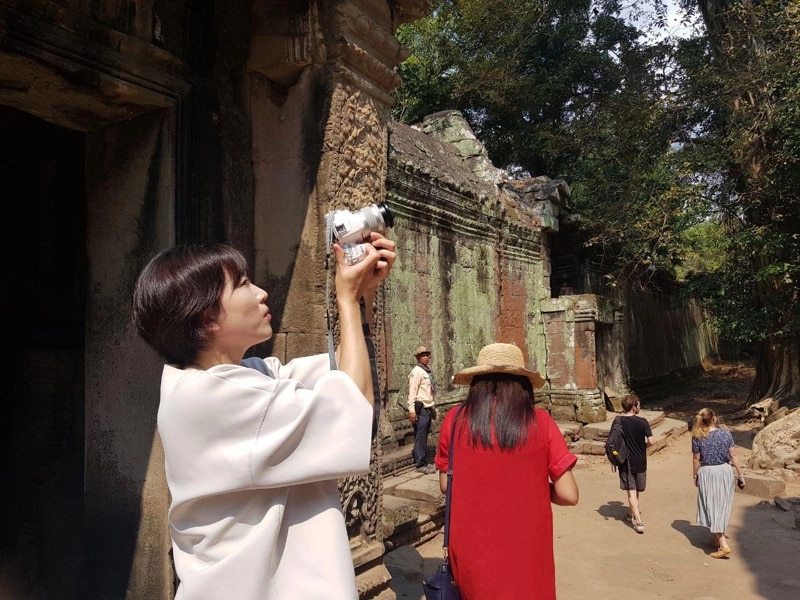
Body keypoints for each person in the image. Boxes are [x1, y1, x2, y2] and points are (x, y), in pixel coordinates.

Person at [131, 232, 395, 600]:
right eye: (243, 284)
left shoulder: (242, 378)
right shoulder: (214, 399)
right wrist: (347, 300)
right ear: (207, 317)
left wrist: (364, 294)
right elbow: (354, 407)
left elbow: (350, 372)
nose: (261, 293)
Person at [434, 343, 579, 600]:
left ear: (476, 384)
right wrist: (531, 487)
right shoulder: (541, 422)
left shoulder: (454, 421)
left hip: (472, 546)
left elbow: (447, 486)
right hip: (526, 550)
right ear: (523, 386)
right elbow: (569, 495)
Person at [691, 407, 745, 558]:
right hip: (725, 471)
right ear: (714, 418)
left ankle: (723, 544)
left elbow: (696, 458)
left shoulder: (697, 436)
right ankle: (716, 538)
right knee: (721, 505)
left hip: (708, 472)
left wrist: (695, 474)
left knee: (711, 505)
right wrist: (741, 474)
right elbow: (733, 456)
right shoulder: (725, 434)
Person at [617, 393, 654, 533]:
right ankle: (638, 521)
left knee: (632, 491)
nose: (640, 407)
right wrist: (643, 447)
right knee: (635, 491)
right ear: (633, 407)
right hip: (640, 461)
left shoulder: (619, 421)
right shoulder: (643, 422)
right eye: (638, 405)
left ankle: (630, 513)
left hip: (625, 461)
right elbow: (651, 441)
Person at [408, 345, 436, 474]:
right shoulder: (417, 372)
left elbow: (429, 393)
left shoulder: (427, 372)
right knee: (421, 436)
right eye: (423, 355)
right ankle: (420, 464)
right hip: (420, 409)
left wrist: (433, 409)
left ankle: (423, 461)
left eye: (427, 355)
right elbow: (412, 392)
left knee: (423, 436)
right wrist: (412, 410)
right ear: (418, 358)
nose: (426, 357)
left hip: (427, 408)